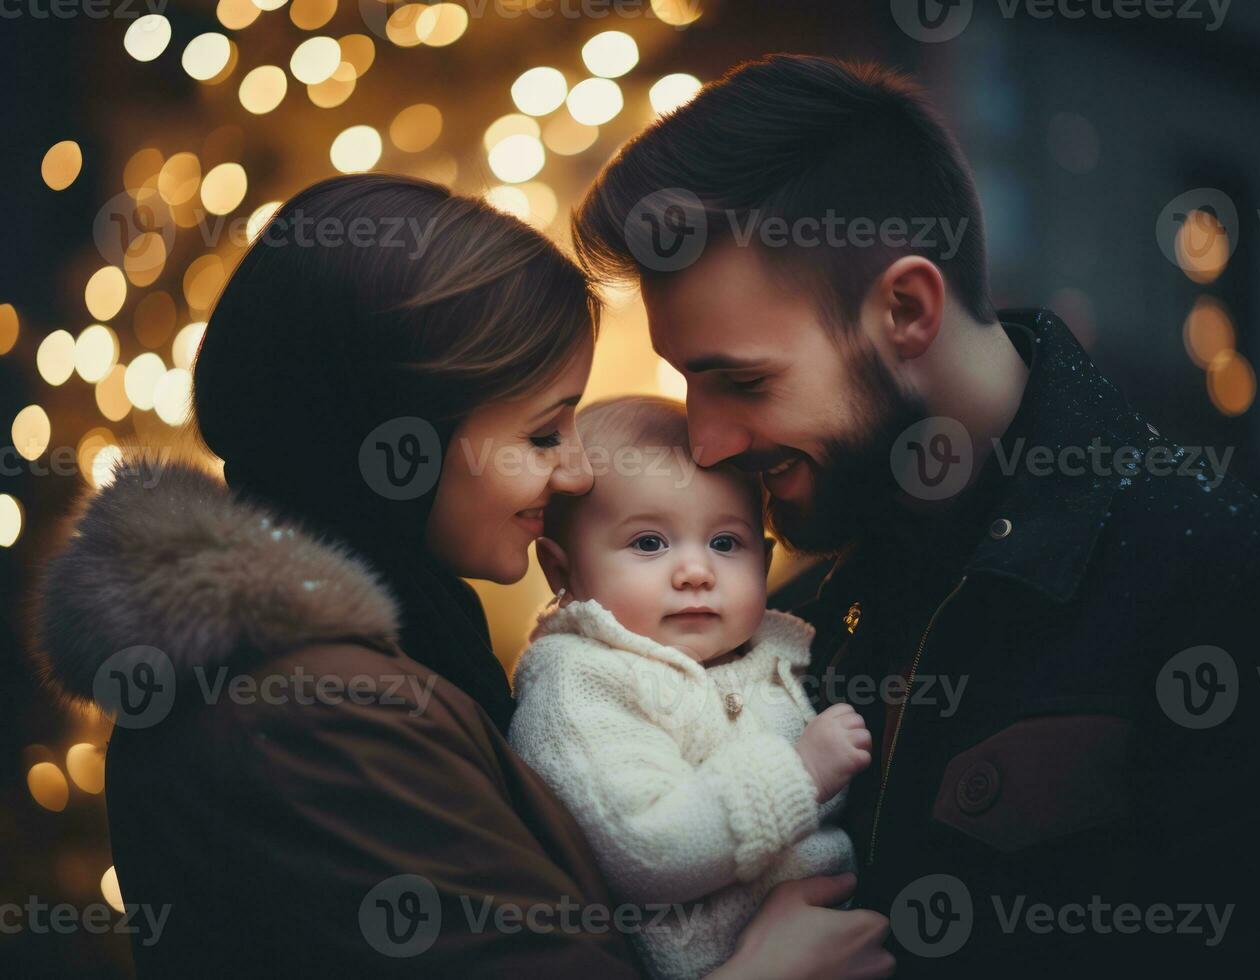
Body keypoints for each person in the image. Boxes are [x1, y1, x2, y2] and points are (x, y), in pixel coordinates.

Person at [33, 174, 896, 978]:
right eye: (542, 434)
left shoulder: (390, 650)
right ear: (402, 443)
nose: (575, 475)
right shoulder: (310, 718)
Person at [570, 53, 1260, 976]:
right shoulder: (785, 609)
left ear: (906, 309)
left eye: (743, 380)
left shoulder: (1220, 586)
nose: (707, 442)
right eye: (688, 384)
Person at [508, 395, 868, 979]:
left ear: (764, 560)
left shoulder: (784, 655)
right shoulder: (580, 686)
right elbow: (647, 849)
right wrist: (799, 773)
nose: (696, 570)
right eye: (649, 543)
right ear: (562, 570)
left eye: (726, 543)